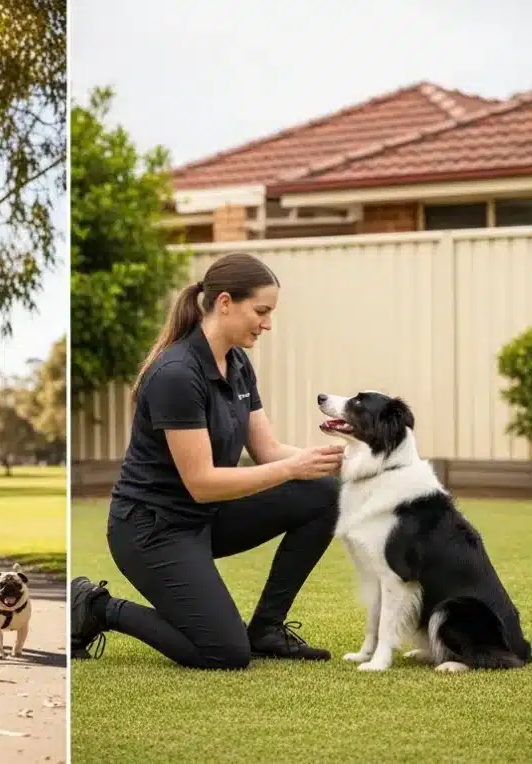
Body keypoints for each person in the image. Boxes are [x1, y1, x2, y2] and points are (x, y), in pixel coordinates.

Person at [68, 252, 344, 669]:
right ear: (226, 303)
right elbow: (201, 482)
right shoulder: (177, 373)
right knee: (224, 652)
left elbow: (267, 450)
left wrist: (338, 460)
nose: (268, 324)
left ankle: (267, 628)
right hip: (152, 530)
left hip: (206, 518)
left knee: (327, 493)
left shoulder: (237, 363)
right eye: (262, 311)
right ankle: (97, 607)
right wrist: (293, 468)